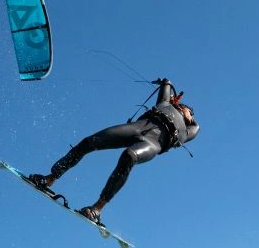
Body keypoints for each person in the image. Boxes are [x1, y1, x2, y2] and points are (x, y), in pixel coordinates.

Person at [29, 78, 199, 225]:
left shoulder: (186, 131)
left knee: (129, 156)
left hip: (152, 143)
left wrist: (188, 116)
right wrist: (170, 94)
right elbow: (167, 83)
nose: (190, 114)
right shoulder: (165, 104)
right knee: (90, 141)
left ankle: (96, 209)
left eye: (191, 114)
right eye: (189, 110)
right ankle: (49, 179)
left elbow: (196, 127)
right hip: (135, 128)